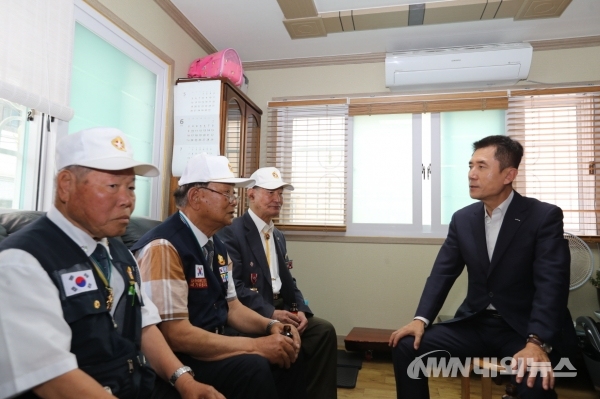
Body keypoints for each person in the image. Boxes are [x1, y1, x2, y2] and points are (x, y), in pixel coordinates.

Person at [0, 127, 223, 399]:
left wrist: (185, 382)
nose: (127, 200)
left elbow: (145, 324)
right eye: (112, 187)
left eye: (131, 187)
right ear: (66, 186)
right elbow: (53, 379)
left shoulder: (118, 252)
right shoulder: (21, 262)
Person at [389, 135, 577, 399]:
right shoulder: (463, 219)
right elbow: (443, 272)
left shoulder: (543, 216)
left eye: (481, 166)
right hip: (475, 324)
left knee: (534, 387)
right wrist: (421, 319)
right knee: (406, 345)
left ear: (508, 175)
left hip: (523, 329)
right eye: (470, 166)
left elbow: (552, 284)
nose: (471, 174)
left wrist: (536, 341)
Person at [131, 153, 307, 399]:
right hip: (180, 360)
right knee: (254, 366)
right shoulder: (164, 247)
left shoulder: (216, 246)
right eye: (227, 194)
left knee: (289, 352)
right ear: (196, 197)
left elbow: (233, 307)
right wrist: (256, 346)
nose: (234, 201)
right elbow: (176, 334)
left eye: (234, 194)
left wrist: (272, 325)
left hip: (211, 344)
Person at [219, 167, 338, 399]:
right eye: (271, 192)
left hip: (283, 308)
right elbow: (235, 288)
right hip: (255, 312)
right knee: (288, 339)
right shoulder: (231, 233)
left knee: (323, 332)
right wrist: (272, 313)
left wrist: (300, 309)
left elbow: (289, 282)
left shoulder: (277, 235)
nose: (278, 199)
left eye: (281, 193)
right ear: (251, 194)